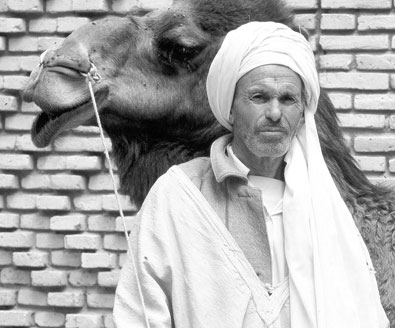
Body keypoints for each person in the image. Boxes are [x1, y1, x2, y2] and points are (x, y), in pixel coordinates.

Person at [113, 22, 389, 328]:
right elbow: (139, 316)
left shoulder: (326, 209)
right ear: (229, 108)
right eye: (258, 97)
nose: (274, 113)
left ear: (302, 114)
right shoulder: (178, 196)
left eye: (288, 99)